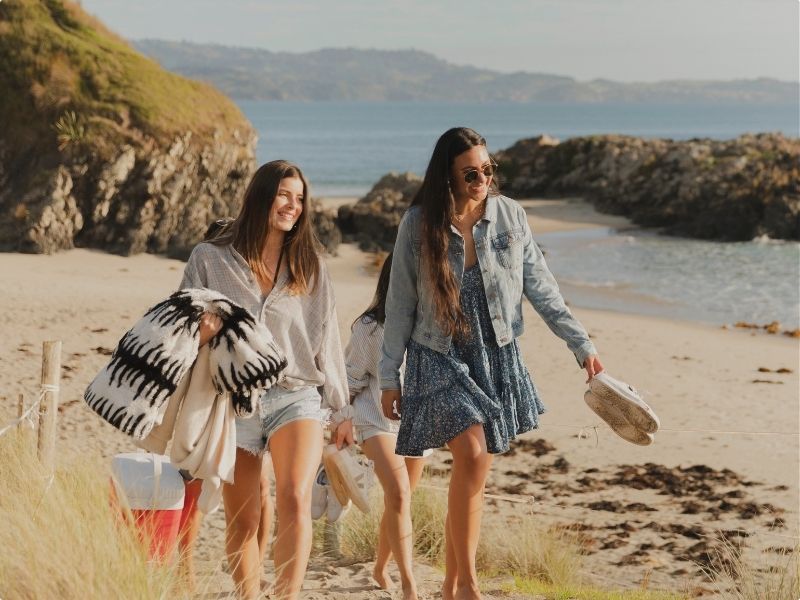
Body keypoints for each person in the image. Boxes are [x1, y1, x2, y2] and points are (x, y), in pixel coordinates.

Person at [379, 127, 603, 600]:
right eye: (471, 172)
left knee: (474, 473)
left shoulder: (510, 216)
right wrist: (388, 375)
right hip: (437, 354)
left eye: (487, 169)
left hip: (493, 352)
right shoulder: (418, 224)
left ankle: (450, 583)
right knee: (473, 455)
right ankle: (468, 586)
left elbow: (541, 288)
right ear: (449, 176)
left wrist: (581, 345)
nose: (482, 178)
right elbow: (399, 303)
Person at [180, 160, 353, 600]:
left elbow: (327, 338)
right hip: (235, 401)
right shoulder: (210, 259)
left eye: (299, 199)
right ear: (261, 196)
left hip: (297, 396)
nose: (292, 207)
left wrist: (342, 408)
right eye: (284, 195)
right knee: (244, 518)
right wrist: (203, 332)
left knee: (294, 497)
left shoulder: (309, 266)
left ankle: (287, 596)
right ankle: (248, 595)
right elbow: (179, 323)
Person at [345, 253, 427, 600]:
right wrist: (337, 421)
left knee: (400, 499)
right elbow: (349, 379)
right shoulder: (369, 327)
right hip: (372, 418)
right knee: (400, 493)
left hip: (416, 425)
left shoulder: (432, 327)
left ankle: (380, 567)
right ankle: (409, 583)